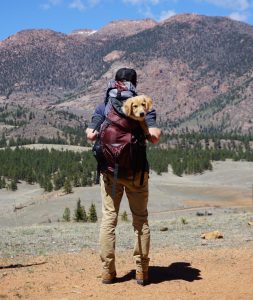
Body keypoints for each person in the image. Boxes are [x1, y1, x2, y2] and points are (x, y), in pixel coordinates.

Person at [86, 68, 161, 285]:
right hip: (137, 174)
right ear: (134, 84)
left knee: (109, 219)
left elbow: (90, 135)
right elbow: (154, 137)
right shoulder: (144, 107)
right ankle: (142, 272)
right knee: (140, 220)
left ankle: (108, 272)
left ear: (115, 83)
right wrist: (144, 127)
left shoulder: (104, 106)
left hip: (110, 174)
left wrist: (102, 131)